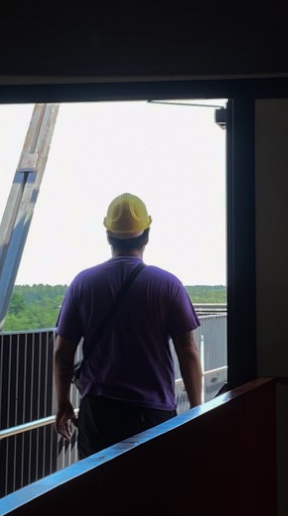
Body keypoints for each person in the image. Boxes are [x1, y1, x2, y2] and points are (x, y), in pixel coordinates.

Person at [53, 192, 205, 456]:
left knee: (99, 482)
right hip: (153, 413)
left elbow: (62, 354)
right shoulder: (168, 285)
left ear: (108, 235)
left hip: (99, 412)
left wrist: (63, 403)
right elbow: (188, 350)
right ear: (146, 235)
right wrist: (196, 409)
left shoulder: (83, 284)